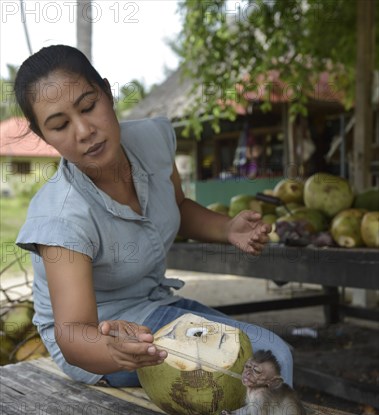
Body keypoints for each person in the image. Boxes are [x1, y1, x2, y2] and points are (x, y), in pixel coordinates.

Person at [15, 45, 293, 388]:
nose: (84, 130)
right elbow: (73, 333)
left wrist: (227, 228)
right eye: (59, 126)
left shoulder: (152, 141)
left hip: (153, 303)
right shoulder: (61, 218)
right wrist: (113, 349)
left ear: (106, 91)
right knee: (267, 360)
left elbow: (175, 205)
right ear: (44, 137)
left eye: (89, 106)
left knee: (263, 358)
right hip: (100, 336)